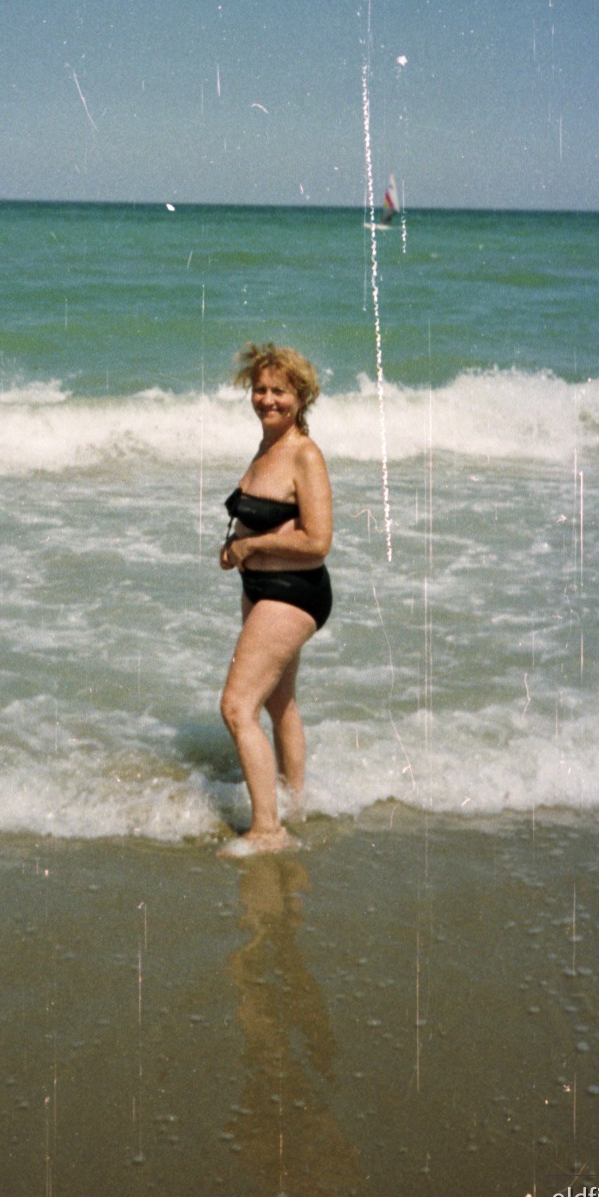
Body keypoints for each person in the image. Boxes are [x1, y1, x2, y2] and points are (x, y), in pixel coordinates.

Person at [218, 343, 333, 854]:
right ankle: (294, 799)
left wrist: (252, 544)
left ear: (300, 396)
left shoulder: (304, 454)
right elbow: (263, 513)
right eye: (260, 389)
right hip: (260, 588)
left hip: (296, 591)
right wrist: (235, 547)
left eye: (279, 391)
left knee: (238, 707)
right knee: (278, 700)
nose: (268, 400)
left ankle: (268, 830)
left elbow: (317, 540)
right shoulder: (266, 446)